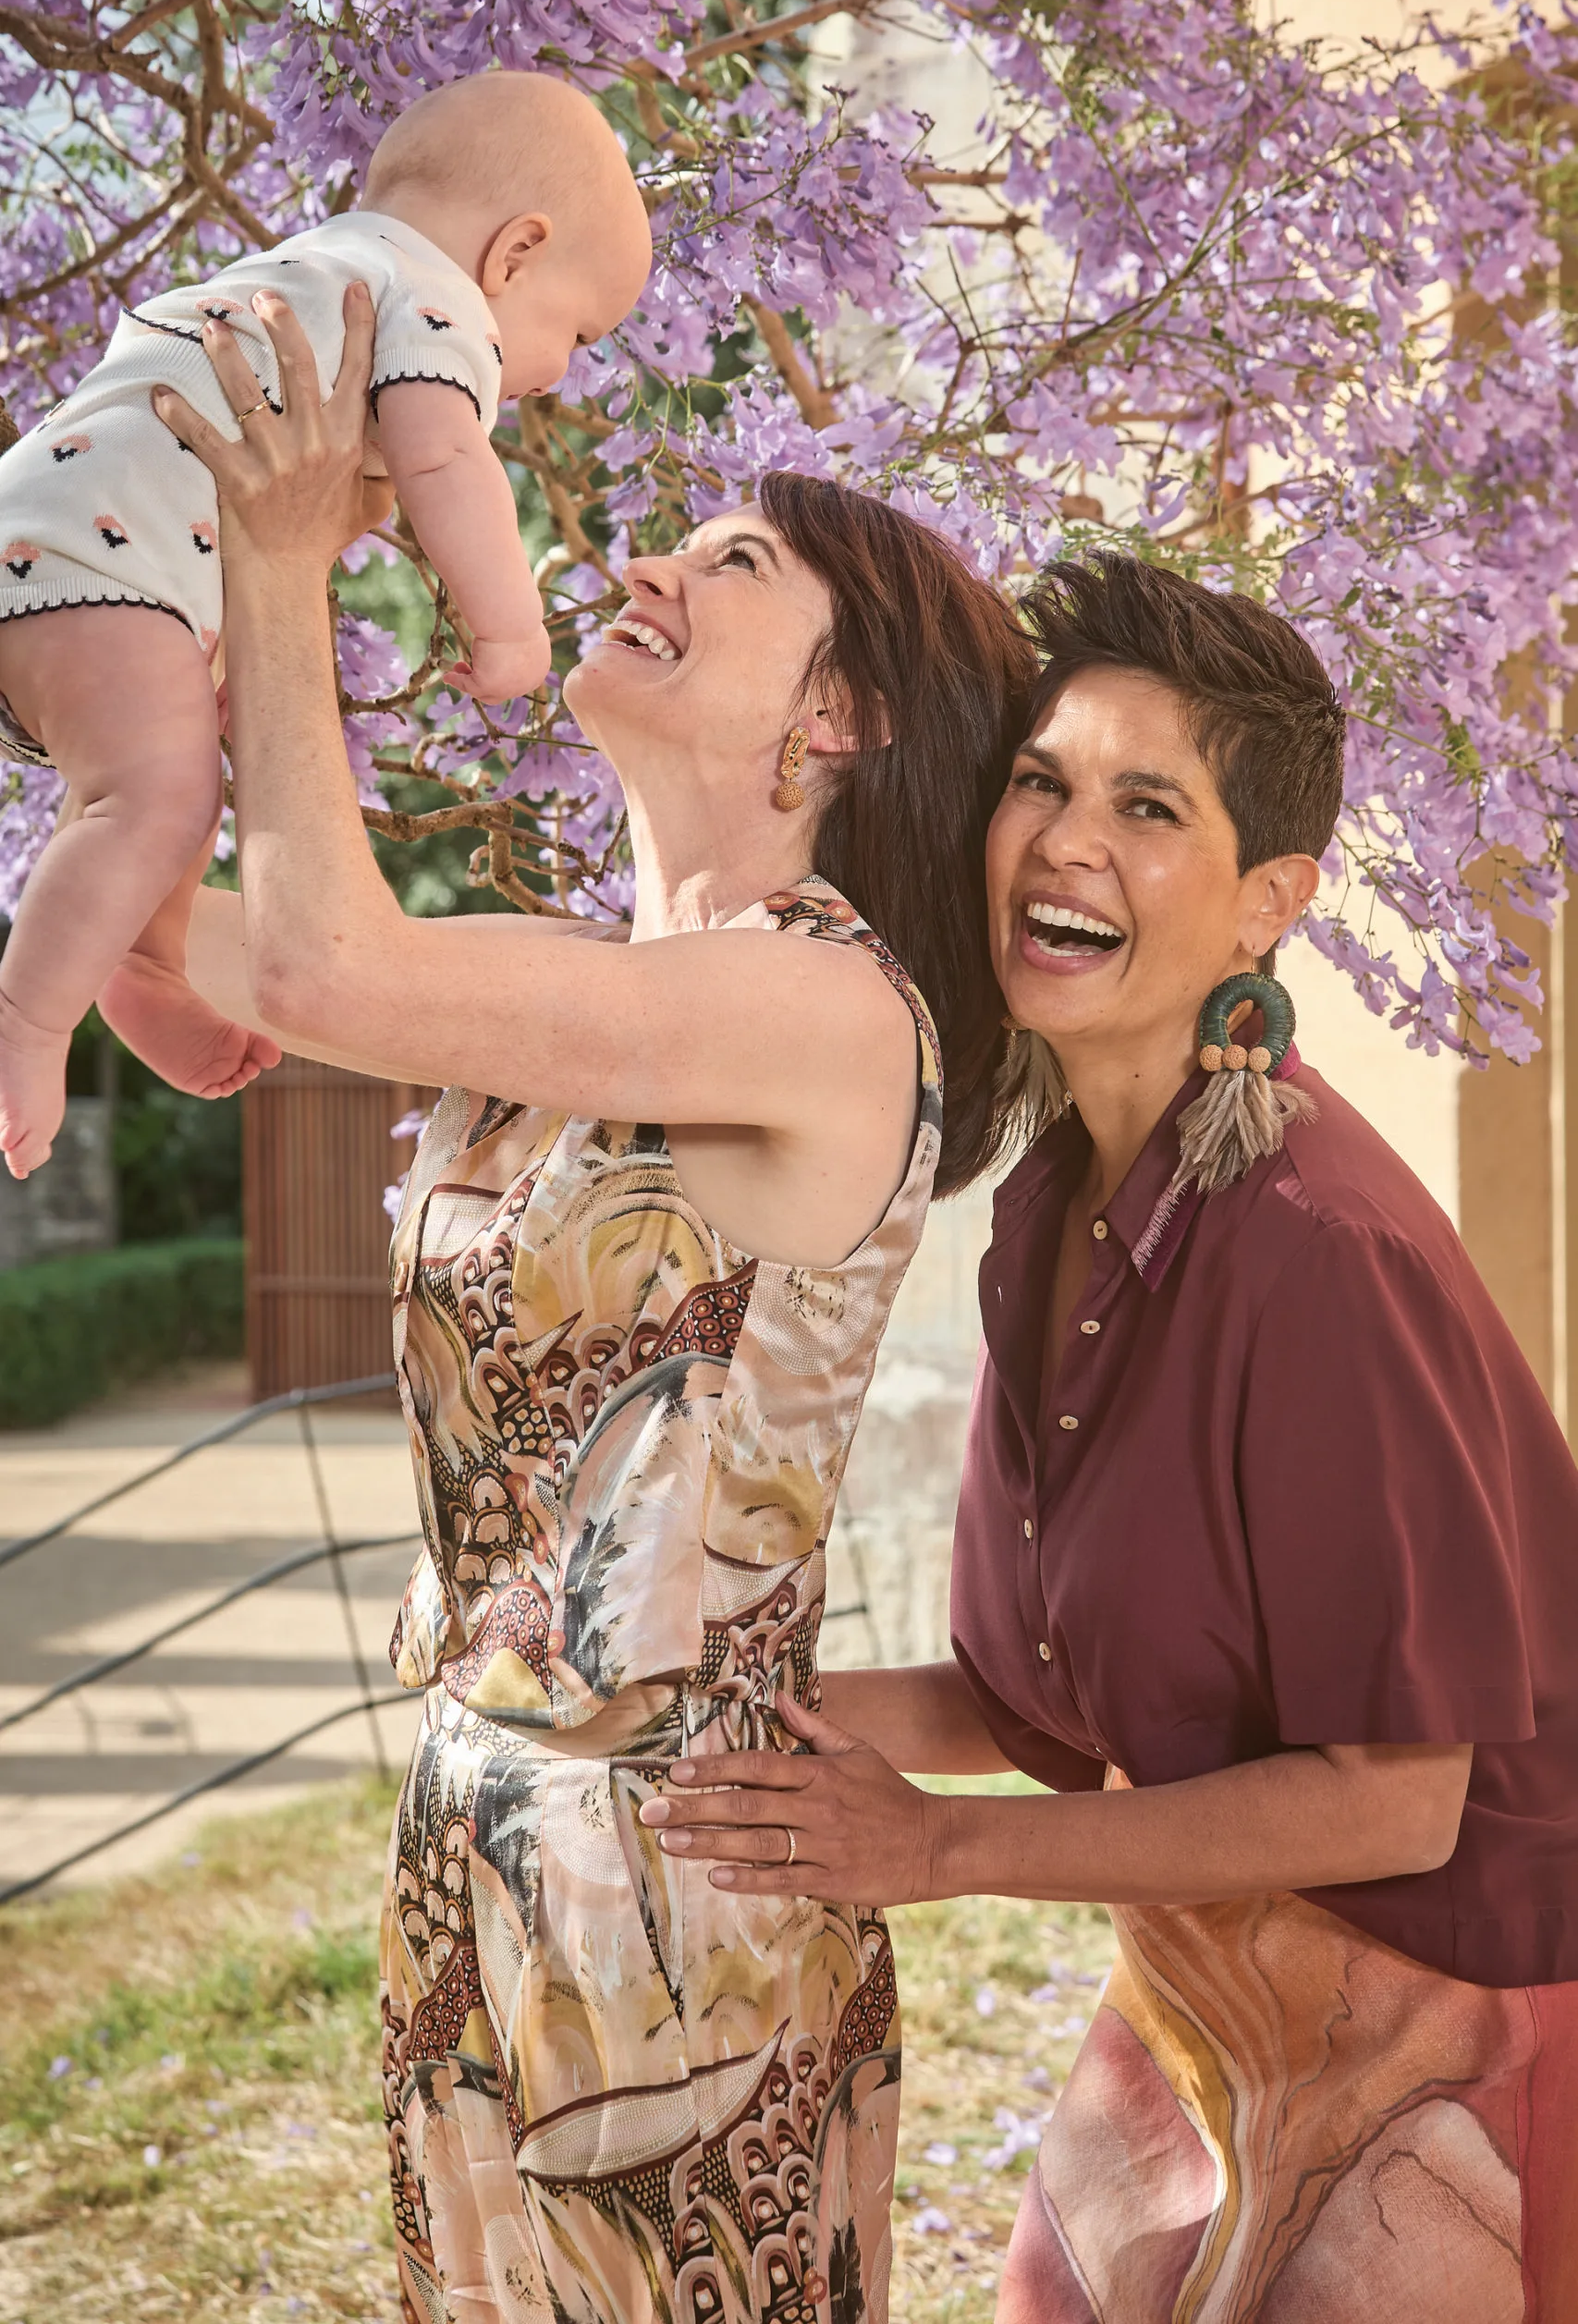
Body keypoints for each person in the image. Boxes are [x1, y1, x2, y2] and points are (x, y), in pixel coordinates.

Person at [154, 286, 1037, 2323]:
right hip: (476, 1825)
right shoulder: (590, 985)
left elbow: (318, 969)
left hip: (676, 1885)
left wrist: (284, 569)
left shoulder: (826, 1002)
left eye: (734, 564)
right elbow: (181, 945)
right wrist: (131, 658)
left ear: (839, 717)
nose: (648, 567)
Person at [645, 555, 1578, 2323]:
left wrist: (938, 1852)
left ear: (1266, 903)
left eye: (1147, 808)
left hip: (1462, 2030)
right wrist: (697, 1719)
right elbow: (1049, 1707)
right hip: (1214, 1987)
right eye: (1040, 783)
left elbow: (1394, 1800)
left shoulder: (1317, 1252)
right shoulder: (1050, 1204)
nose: (1065, 842)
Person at [0, 70, 651, 1180]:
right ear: (515, 254)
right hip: (87, 567)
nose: (562, 373)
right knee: (155, 797)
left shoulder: (318, 266)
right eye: (580, 331)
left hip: (75, 552)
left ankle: (142, 963)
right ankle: (25, 1020)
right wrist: (509, 630)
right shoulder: (431, 299)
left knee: (169, 779)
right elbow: (447, 465)